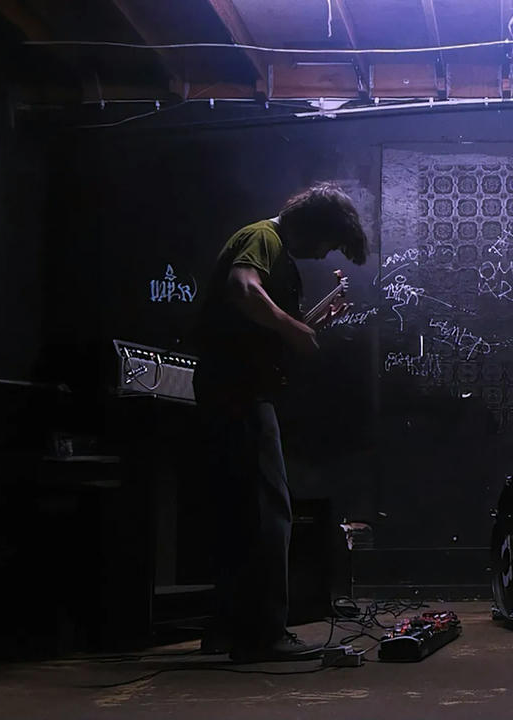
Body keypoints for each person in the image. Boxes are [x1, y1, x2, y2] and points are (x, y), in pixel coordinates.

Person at [194, 183, 368, 662]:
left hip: (233, 388)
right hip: (239, 392)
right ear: (313, 226)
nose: (323, 254)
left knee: (240, 515)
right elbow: (243, 288)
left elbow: (256, 329)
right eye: (328, 243)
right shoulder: (262, 237)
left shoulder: (271, 245)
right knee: (269, 511)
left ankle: (228, 628)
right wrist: (295, 328)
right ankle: (265, 634)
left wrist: (306, 326)